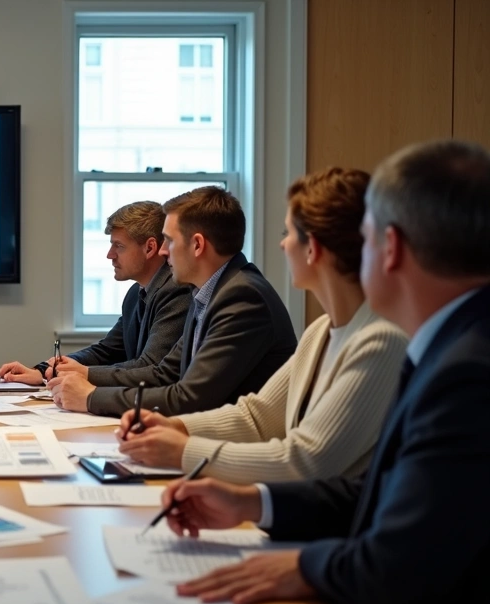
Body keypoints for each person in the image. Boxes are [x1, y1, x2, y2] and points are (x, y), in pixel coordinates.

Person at [159, 140, 490, 604]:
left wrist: (301, 566)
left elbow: (400, 564)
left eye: (368, 237)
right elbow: (376, 491)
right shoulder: (449, 345)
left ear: (391, 247)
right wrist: (255, 503)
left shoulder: (464, 372)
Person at [115, 169, 408, 482]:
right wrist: (176, 427)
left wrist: (183, 449)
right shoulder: (320, 331)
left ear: (314, 248)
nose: (283, 246)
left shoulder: (381, 341)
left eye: (288, 234)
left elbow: (306, 461)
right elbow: (258, 416)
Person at [50, 186, 297, 417]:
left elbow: (189, 397)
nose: (162, 250)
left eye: (169, 240)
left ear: (197, 245)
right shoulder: (208, 293)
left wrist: (91, 397)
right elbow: (165, 374)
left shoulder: (242, 297)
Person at [0, 201, 189, 385]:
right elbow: (107, 351)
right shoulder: (135, 294)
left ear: (150, 248)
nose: (110, 255)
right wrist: (44, 370)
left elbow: (150, 367)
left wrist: (82, 374)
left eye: (119, 246)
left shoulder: (176, 292)